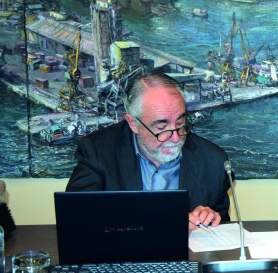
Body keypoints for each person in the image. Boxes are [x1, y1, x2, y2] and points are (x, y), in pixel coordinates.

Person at [66, 72, 231, 231]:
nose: (176, 138)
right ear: (132, 123)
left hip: (188, 257)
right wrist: (165, 225)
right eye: (161, 128)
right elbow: (77, 220)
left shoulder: (214, 161)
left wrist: (209, 219)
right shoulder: (98, 151)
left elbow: (222, 226)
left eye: (180, 123)